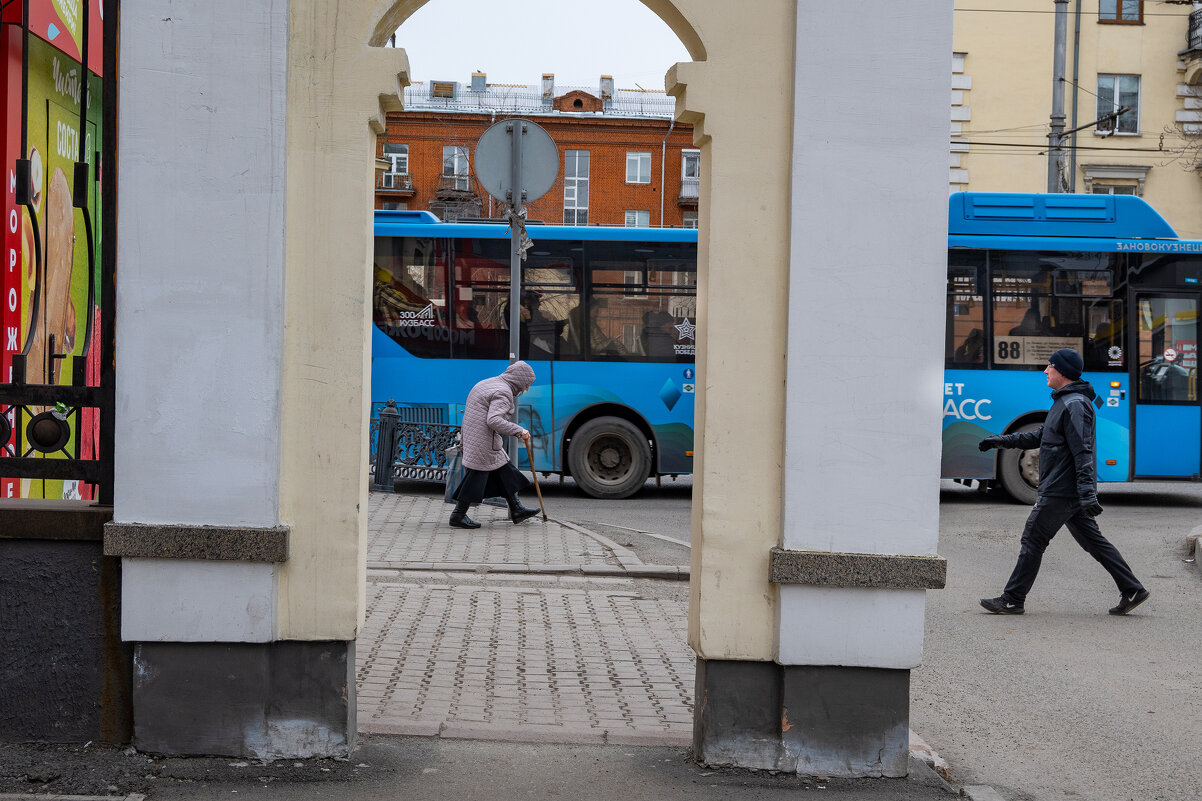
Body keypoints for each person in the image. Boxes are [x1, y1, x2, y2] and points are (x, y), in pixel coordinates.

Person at [977, 348, 1149, 616]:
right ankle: (1132, 589)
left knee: (1033, 539)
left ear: (1063, 371)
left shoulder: (1075, 404)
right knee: (1093, 541)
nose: (1045, 370)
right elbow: (1042, 436)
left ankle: (1012, 599)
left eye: (1050, 366)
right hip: (1068, 490)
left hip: (1062, 489)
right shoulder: (1065, 401)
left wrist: (1086, 493)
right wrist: (1002, 441)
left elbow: (1082, 450)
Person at [449, 361, 541, 529]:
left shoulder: (487, 383)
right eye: (526, 385)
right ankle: (458, 515)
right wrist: (518, 430)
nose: (525, 390)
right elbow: (494, 420)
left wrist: (463, 440)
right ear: (519, 381)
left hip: (477, 438)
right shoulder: (503, 392)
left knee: (505, 471)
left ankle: (517, 509)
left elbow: (468, 414)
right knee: (477, 477)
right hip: (484, 440)